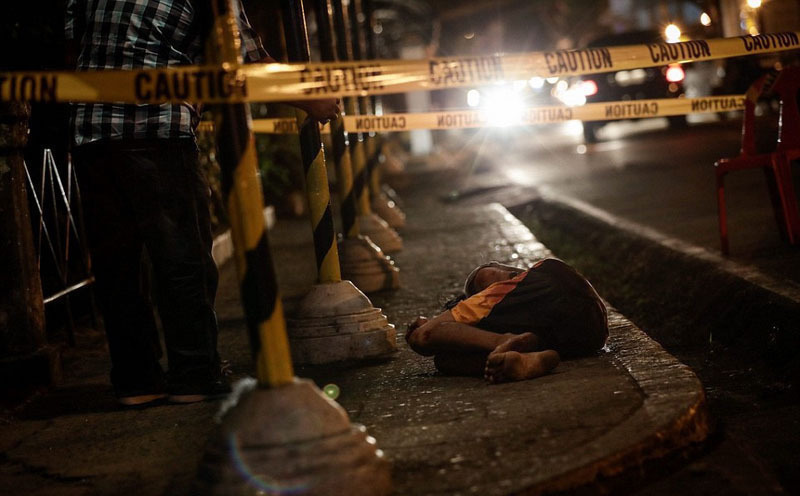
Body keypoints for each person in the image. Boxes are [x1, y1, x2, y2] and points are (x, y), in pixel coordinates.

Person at [65, 0, 339, 406]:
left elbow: (73, 46)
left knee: (117, 266)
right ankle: (193, 374)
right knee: (182, 259)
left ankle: (136, 381)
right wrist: (312, 97)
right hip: (159, 130)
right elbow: (247, 58)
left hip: (91, 133)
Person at [405, 259, 608, 383]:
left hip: (558, 321)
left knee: (436, 344)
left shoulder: (496, 294)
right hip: (590, 336)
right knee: (445, 361)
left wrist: (427, 324)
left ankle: (504, 341)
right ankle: (523, 361)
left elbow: (424, 336)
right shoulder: (543, 278)